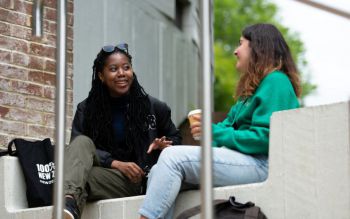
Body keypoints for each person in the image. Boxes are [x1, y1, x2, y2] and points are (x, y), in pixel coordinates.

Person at [138, 23, 301, 219]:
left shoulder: (276, 81)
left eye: (240, 44)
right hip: (243, 161)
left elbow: (265, 138)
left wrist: (213, 132)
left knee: (173, 158)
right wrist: (208, 133)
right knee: (158, 170)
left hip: (261, 164)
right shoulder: (249, 92)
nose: (235, 51)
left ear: (258, 47)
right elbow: (224, 128)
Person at [63, 43, 181, 219]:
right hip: (106, 176)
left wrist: (164, 145)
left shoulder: (154, 108)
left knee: (73, 179)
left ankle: (67, 203)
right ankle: (68, 207)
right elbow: (77, 150)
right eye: (113, 69)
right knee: (80, 148)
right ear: (101, 76)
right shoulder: (86, 109)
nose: (121, 73)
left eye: (126, 68)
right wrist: (114, 163)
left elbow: (177, 141)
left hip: (138, 179)